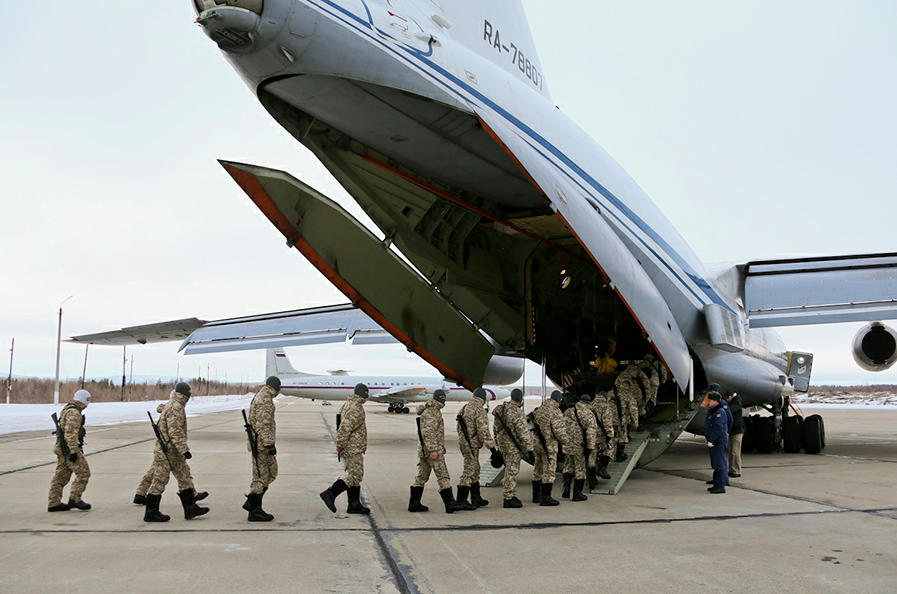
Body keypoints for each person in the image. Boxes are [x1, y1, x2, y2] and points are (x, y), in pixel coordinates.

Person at [143, 382, 209, 522]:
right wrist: (184, 450)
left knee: (185, 477)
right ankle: (151, 512)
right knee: (160, 480)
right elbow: (175, 432)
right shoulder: (175, 407)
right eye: (189, 392)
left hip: (173, 452)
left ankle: (190, 509)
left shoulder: (174, 405)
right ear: (185, 393)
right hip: (167, 452)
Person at [134, 400, 208, 506]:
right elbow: (175, 432)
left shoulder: (167, 409)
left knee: (156, 471)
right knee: (177, 474)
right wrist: (183, 449)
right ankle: (191, 496)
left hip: (164, 449)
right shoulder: (173, 410)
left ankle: (140, 493)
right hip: (168, 450)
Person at [408, 390, 463, 513]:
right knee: (443, 475)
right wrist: (434, 449)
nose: (443, 399)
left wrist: (440, 445)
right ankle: (450, 503)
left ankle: (414, 503)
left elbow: (434, 433)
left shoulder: (432, 410)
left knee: (422, 476)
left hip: (425, 449)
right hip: (431, 450)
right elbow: (429, 433)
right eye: (441, 397)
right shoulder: (432, 412)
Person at [321, 383, 370, 515]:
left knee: (354, 473)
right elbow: (345, 427)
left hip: (352, 445)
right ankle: (330, 493)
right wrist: (340, 444)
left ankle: (354, 505)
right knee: (356, 476)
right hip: (352, 446)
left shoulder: (349, 404)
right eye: (366, 392)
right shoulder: (355, 407)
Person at [48, 389, 92, 512]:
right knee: (84, 473)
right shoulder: (74, 412)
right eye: (87, 399)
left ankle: (54, 502)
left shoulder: (68, 408)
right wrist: (73, 451)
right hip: (68, 450)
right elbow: (70, 433)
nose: (88, 403)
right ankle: (75, 499)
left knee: (61, 476)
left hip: (62, 449)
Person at [243, 376, 281, 521]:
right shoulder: (265, 399)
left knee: (270, 474)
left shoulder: (261, 396)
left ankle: (252, 504)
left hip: (259, 443)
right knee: (261, 477)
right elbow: (263, 424)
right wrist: (269, 444)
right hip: (262, 445)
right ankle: (254, 509)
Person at [456, 388, 498, 509]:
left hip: (464, 443)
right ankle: (461, 500)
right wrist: (492, 448)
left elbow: (459, 425)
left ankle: (476, 498)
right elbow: (483, 431)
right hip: (471, 444)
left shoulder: (465, 407)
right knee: (469, 470)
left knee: (475, 469)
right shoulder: (479, 410)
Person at [492, 388, 534, 508]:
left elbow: (495, 429)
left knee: (508, 470)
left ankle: (509, 495)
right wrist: (529, 450)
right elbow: (523, 434)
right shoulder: (517, 413)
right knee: (512, 471)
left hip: (503, 445)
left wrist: (498, 443)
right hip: (513, 447)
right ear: (520, 398)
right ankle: (508, 497)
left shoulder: (501, 409)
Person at [532, 390, 572, 506]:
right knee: (549, 470)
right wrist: (566, 441)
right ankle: (546, 497)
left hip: (537, 443)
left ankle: (536, 496)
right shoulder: (555, 411)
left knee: (537, 468)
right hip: (548, 445)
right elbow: (558, 430)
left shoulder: (540, 409)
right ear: (559, 399)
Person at [562, 393, 598, 501]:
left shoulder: (568, 412)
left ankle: (566, 488)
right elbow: (591, 432)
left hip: (567, 445)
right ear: (589, 402)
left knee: (568, 466)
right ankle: (577, 494)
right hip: (579, 447)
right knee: (580, 469)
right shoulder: (589, 414)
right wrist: (590, 448)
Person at [587, 390, 615, 486]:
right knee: (609, 449)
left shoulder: (590, 405)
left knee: (592, 456)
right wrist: (609, 435)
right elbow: (607, 422)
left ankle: (591, 479)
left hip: (590, 434)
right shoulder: (605, 406)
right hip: (601, 434)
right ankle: (601, 469)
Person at [704, 390, 729, 494]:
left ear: (716, 401)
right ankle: (716, 482)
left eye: (710, 401)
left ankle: (720, 486)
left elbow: (718, 428)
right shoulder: (713, 411)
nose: (708, 403)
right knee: (716, 463)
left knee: (719, 463)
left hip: (718, 441)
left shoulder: (719, 412)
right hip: (715, 441)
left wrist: (711, 439)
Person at [725, 390, 745, 478]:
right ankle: (731, 469)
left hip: (738, 430)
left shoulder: (737, 402)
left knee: (735, 451)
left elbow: (730, 410)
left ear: (731, 397)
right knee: (730, 451)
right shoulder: (733, 402)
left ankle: (736, 470)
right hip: (732, 430)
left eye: (727, 399)